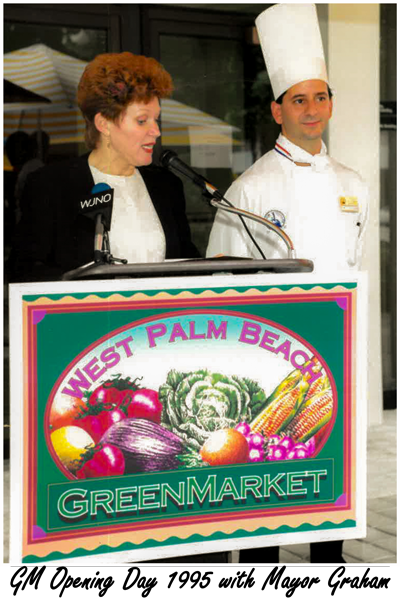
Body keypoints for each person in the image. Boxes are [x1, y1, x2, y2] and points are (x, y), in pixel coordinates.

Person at [207, 4, 368, 563]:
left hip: (337, 349)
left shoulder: (354, 183)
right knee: (268, 475)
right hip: (269, 355)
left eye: (320, 96)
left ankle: (331, 562)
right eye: (298, 99)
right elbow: (221, 277)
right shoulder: (249, 187)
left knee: (334, 474)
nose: (312, 108)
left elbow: (354, 266)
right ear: (277, 110)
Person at [10, 52, 199, 282]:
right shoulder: (51, 185)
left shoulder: (167, 186)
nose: (156, 131)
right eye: (142, 120)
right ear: (104, 123)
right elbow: (25, 271)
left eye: (156, 120)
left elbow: (186, 263)